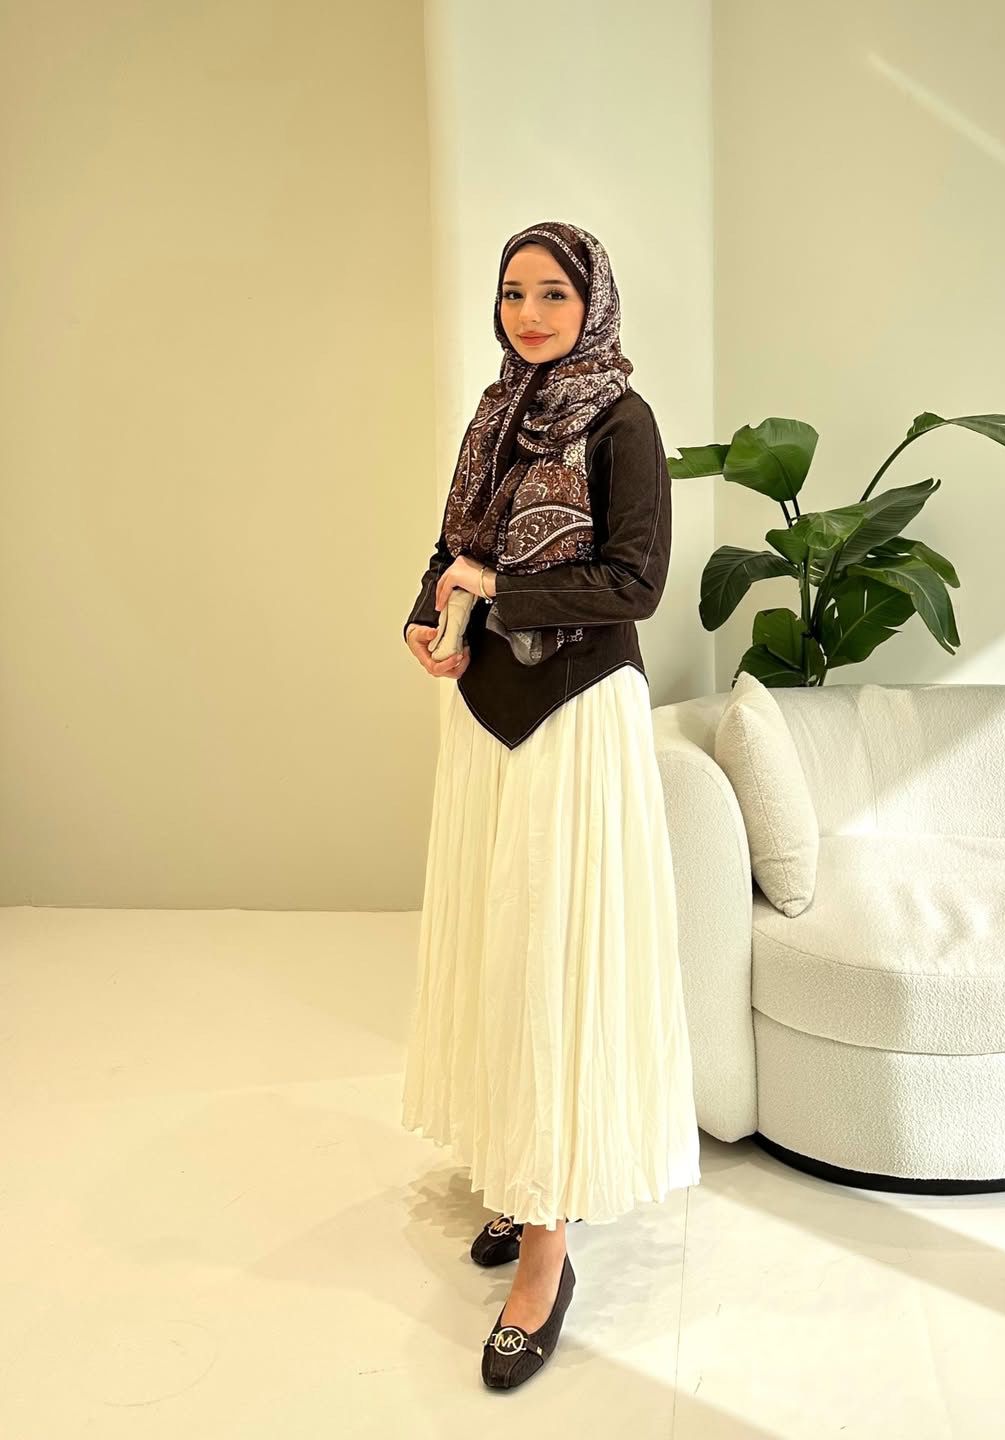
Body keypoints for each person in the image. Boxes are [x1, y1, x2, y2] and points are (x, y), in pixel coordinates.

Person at [400, 220, 701, 1390]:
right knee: (497, 951)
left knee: (552, 960)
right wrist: (427, 613)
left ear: (594, 303)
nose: (529, 315)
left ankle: (547, 1249)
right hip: (487, 715)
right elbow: (453, 545)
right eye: (513, 293)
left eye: (554, 294)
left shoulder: (621, 421)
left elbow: (635, 581)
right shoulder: (495, 413)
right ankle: (516, 1170)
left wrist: (494, 586)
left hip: (573, 717)